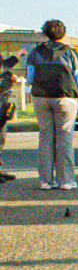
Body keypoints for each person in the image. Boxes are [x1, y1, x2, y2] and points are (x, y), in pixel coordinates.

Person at [26, 19, 78, 190]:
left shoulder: (35, 52)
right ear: (64, 33)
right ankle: (66, 180)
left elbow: (30, 78)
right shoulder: (69, 52)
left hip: (41, 98)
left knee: (45, 138)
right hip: (65, 98)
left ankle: (45, 180)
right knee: (64, 138)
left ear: (45, 33)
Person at [0, 53, 25, 182]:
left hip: (2, 100)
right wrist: (15, 57)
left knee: (1, 137)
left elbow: (3, 69)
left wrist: (9, 78)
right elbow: (2, 68)